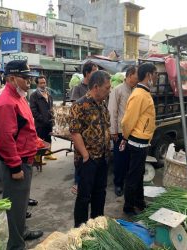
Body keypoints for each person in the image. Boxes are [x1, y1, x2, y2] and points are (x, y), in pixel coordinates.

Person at [0, 60, 43, 249]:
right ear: (12, 78)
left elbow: (23, 127)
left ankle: (21, 232)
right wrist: (15, 167)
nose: (29, 82)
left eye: (29, 78)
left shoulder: (19, 97)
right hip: (17, 163)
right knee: (14, 208)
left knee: (21, 205)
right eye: (25, 78)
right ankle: (15, 245)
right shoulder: (6, 102)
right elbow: (5, 139)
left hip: (25, 159)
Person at [69, 70, 111, 227]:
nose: (109, 90)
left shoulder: (102, 104)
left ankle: (96, 225)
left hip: (103, 157)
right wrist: (86, 156)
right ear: (96, 87)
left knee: (100, 193)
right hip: (88, 160)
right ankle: (79, 229)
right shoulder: (79, 105)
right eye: (107, 88)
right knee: (84, 196)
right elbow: (75, 132)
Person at [121, 63, 157, 216]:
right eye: (155, 74)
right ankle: (128, 207)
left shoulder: (144, 92)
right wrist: (124, 136)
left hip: (142, 140)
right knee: (133, 176)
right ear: (149, 75)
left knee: (138, 174)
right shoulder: (139, 94)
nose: (156, 77)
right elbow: (127, 121)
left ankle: (139, 202)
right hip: (137, 141)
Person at [108, 66, 138, 197]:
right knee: (120, 159)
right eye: (137, 76)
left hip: (134, 132)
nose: (138, 79)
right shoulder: (118, 90)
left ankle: (127, 182)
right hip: (120, 132)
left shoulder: (137, 90)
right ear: (130, 75)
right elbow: (112, 111)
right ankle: (118, 184)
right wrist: (113, 131)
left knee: (130, 160)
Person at [70, 61, 98, 194]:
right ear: (87, 73)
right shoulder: (78, 88)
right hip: (81, 130)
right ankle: (77, 183)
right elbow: (74, 108)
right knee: (81, 157)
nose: (96, 73)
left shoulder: (96, 88)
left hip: (93, 131)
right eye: (94, 71)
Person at [29, 75, 57, 162]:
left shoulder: (48, 94)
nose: (43, 85)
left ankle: (48, 154)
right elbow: (33, 111)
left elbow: (51, 108)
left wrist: (53, 117)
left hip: (49, 122)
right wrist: (42, 119)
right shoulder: (34, 96)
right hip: (40, 123)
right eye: (41, 83)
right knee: (40, 140)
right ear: (37, 84)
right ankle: (37, 158)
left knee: (49, 138)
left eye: (44, 82)